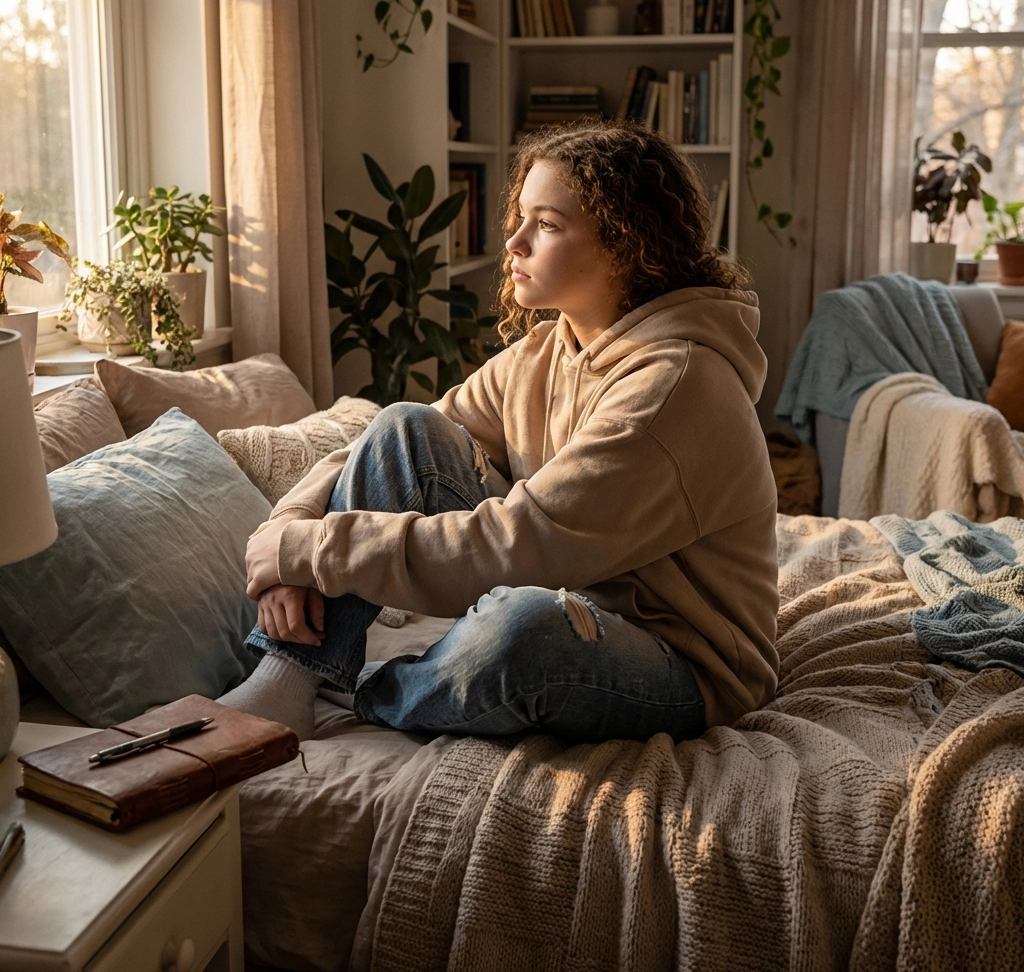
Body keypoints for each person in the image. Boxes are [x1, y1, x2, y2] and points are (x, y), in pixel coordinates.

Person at [221, 123, 779, 743]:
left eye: (545, 224)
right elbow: (398, 442)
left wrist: (310, 551)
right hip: (573, 587)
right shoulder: (550, 349)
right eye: (520, 217)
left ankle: (361, 692)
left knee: (521, 632)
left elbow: (519, 543)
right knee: (406, 428)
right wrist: (289, 525)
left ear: (625, 243)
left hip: (683, 664)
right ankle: (291, 676)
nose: (513, 242)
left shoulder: (674, 386)